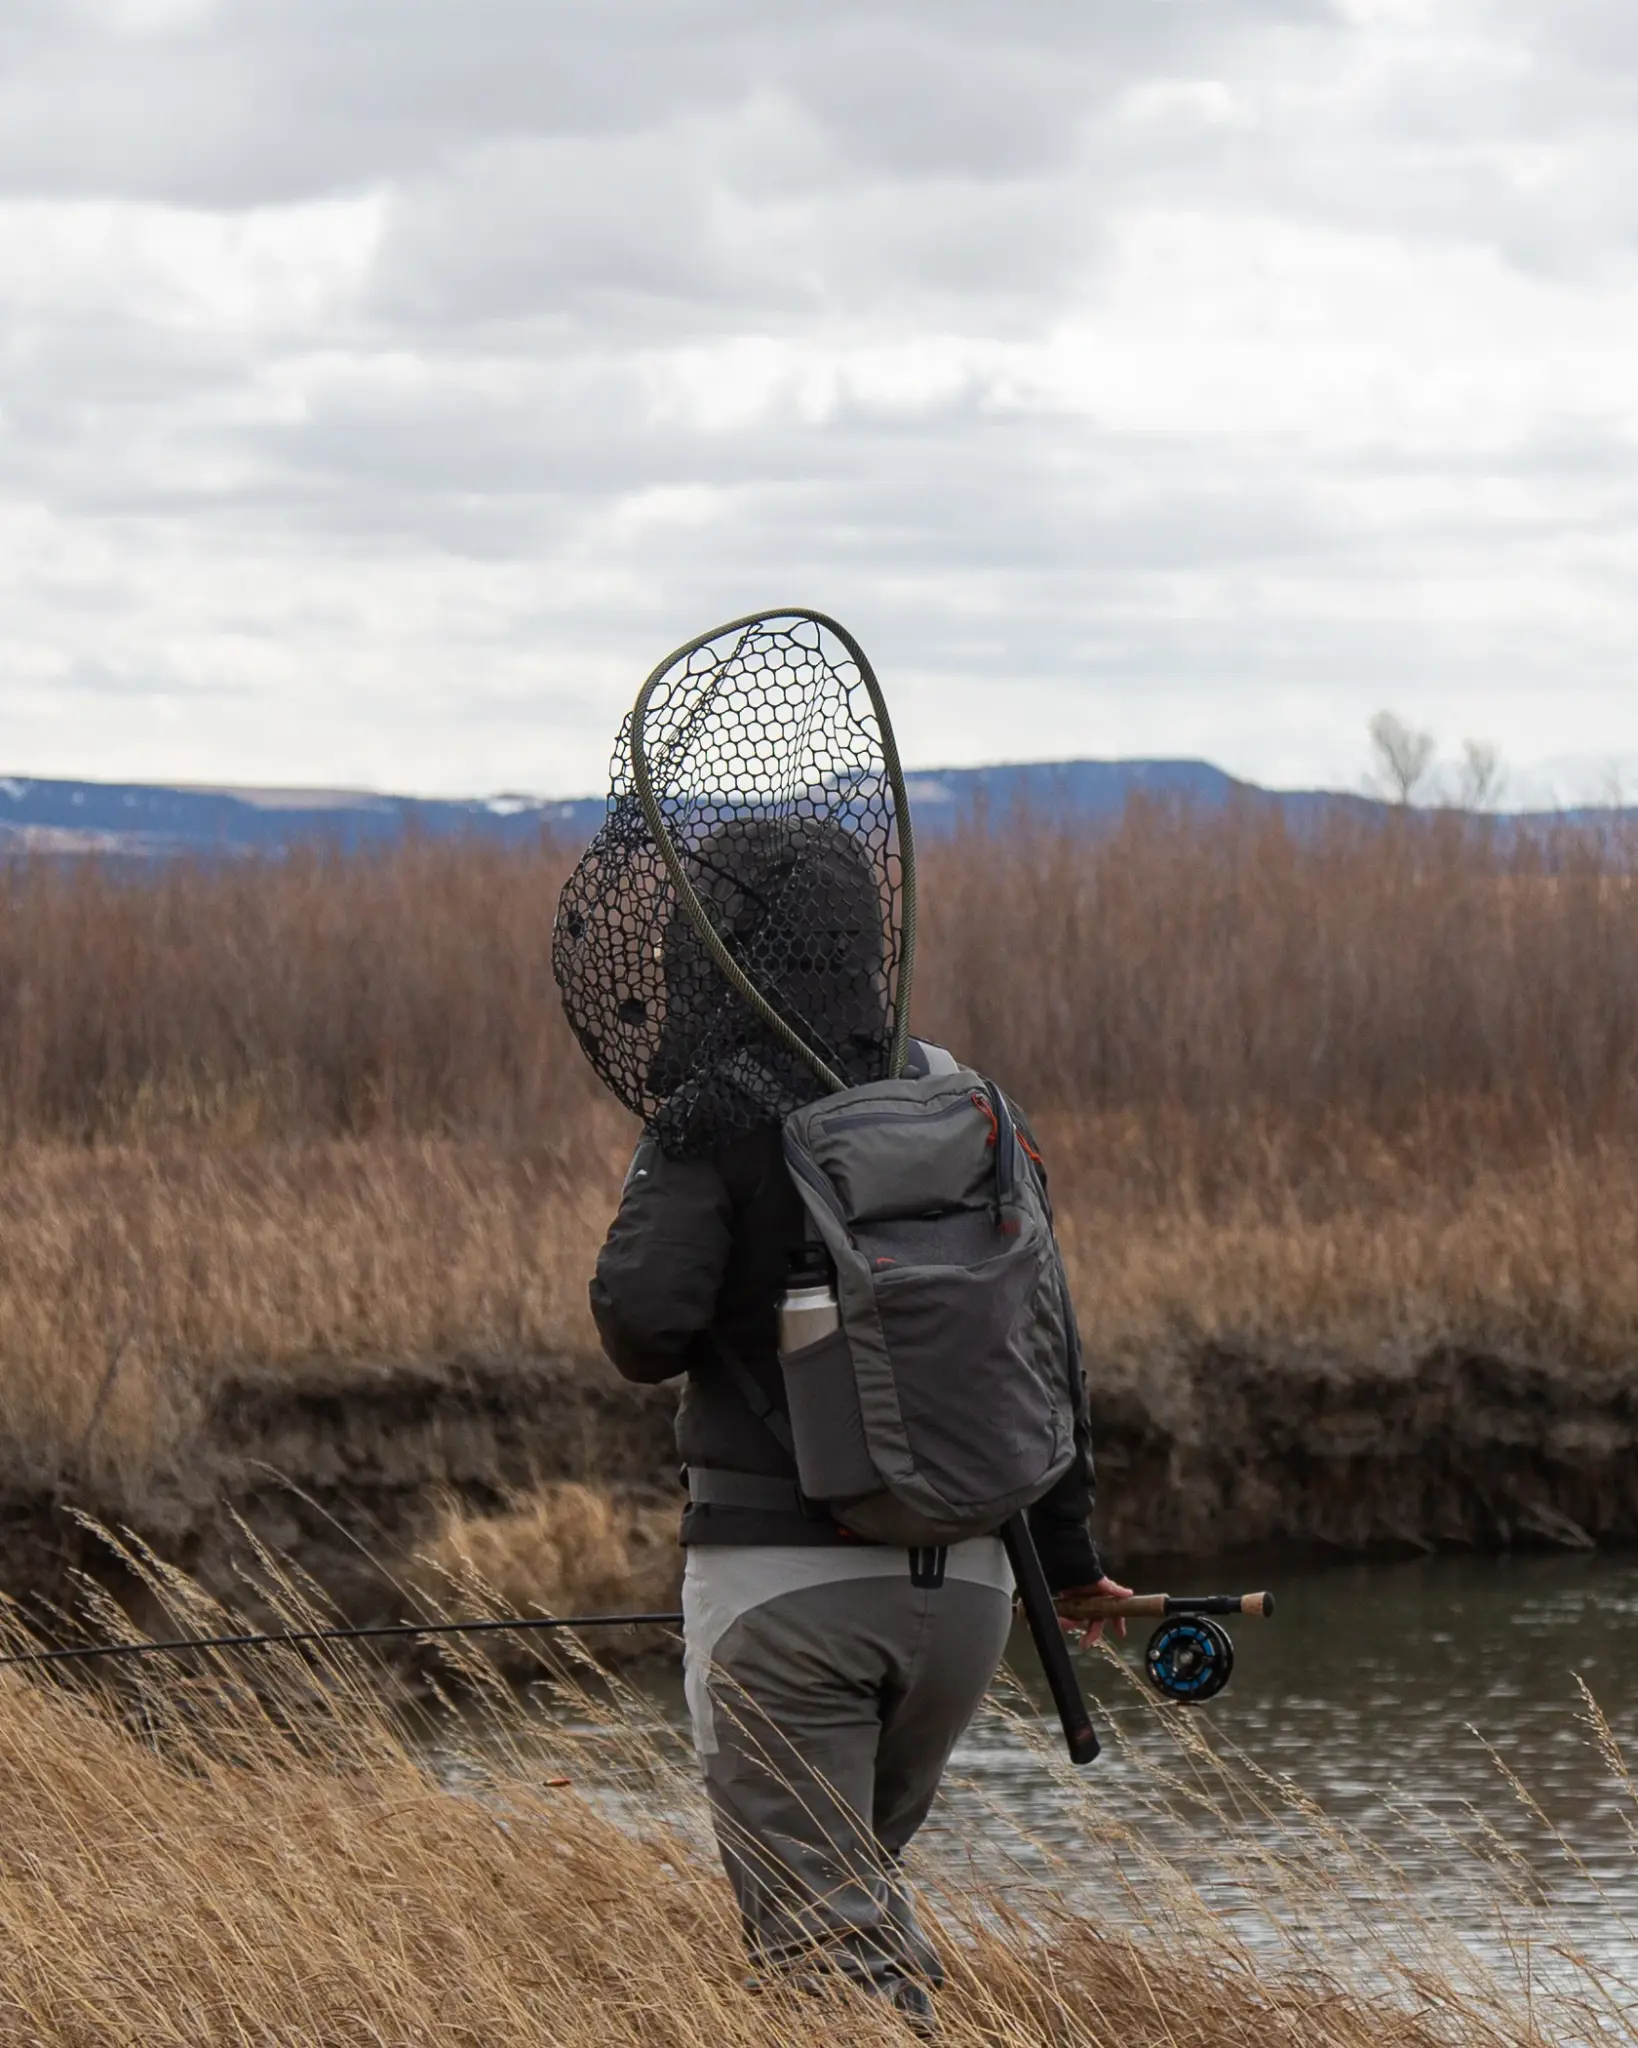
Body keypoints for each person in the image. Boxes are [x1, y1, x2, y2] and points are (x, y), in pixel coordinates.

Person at [587, 825, 1128, 2034]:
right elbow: (1047, 1346)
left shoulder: (714, 1115)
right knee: (853, 1914)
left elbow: (640, 1324)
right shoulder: (972, 1103)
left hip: (785, 1600)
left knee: (827, 1966)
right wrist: (1077, 1553)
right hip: (978, 1602)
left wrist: (679, 1167)